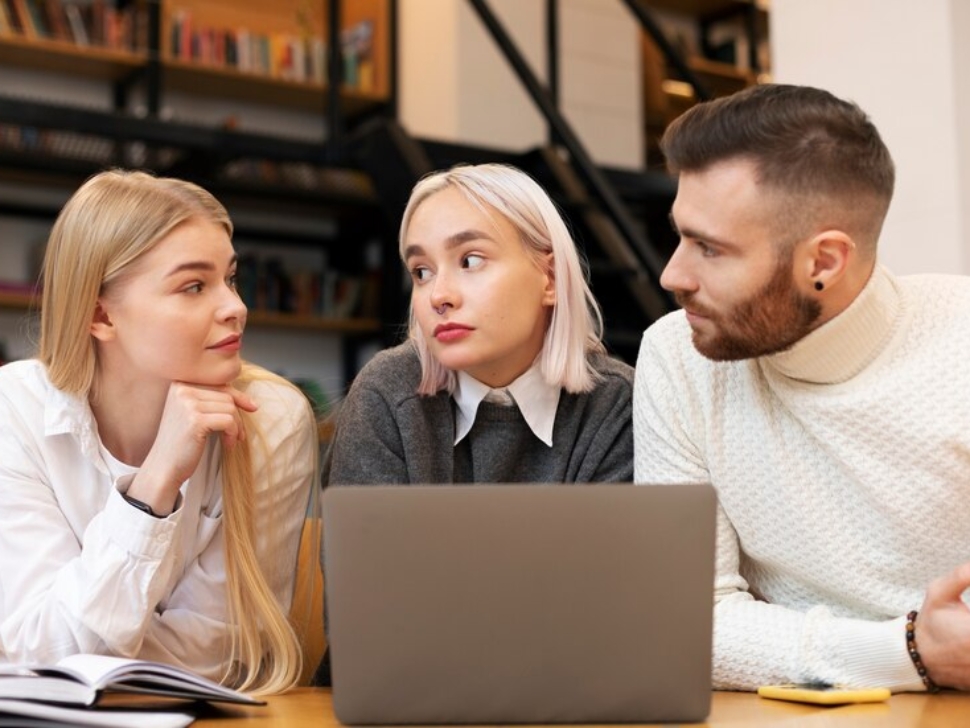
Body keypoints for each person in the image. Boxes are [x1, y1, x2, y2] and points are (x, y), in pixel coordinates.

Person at [633, 83, 970, 693]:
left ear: (823, 263)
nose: (672, 274)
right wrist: (909, 653)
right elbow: (679, 621)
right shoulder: (675, 353)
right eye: (680, 235)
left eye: (709, 248)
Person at [0, 170, 318, 695]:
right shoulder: (14, 409)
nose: (236, 307)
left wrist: (79, 652)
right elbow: (41, 651)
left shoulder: (271, 419)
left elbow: (223, 652)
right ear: (100, 315)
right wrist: (154, 487)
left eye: (229, 278)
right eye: (193, 286)